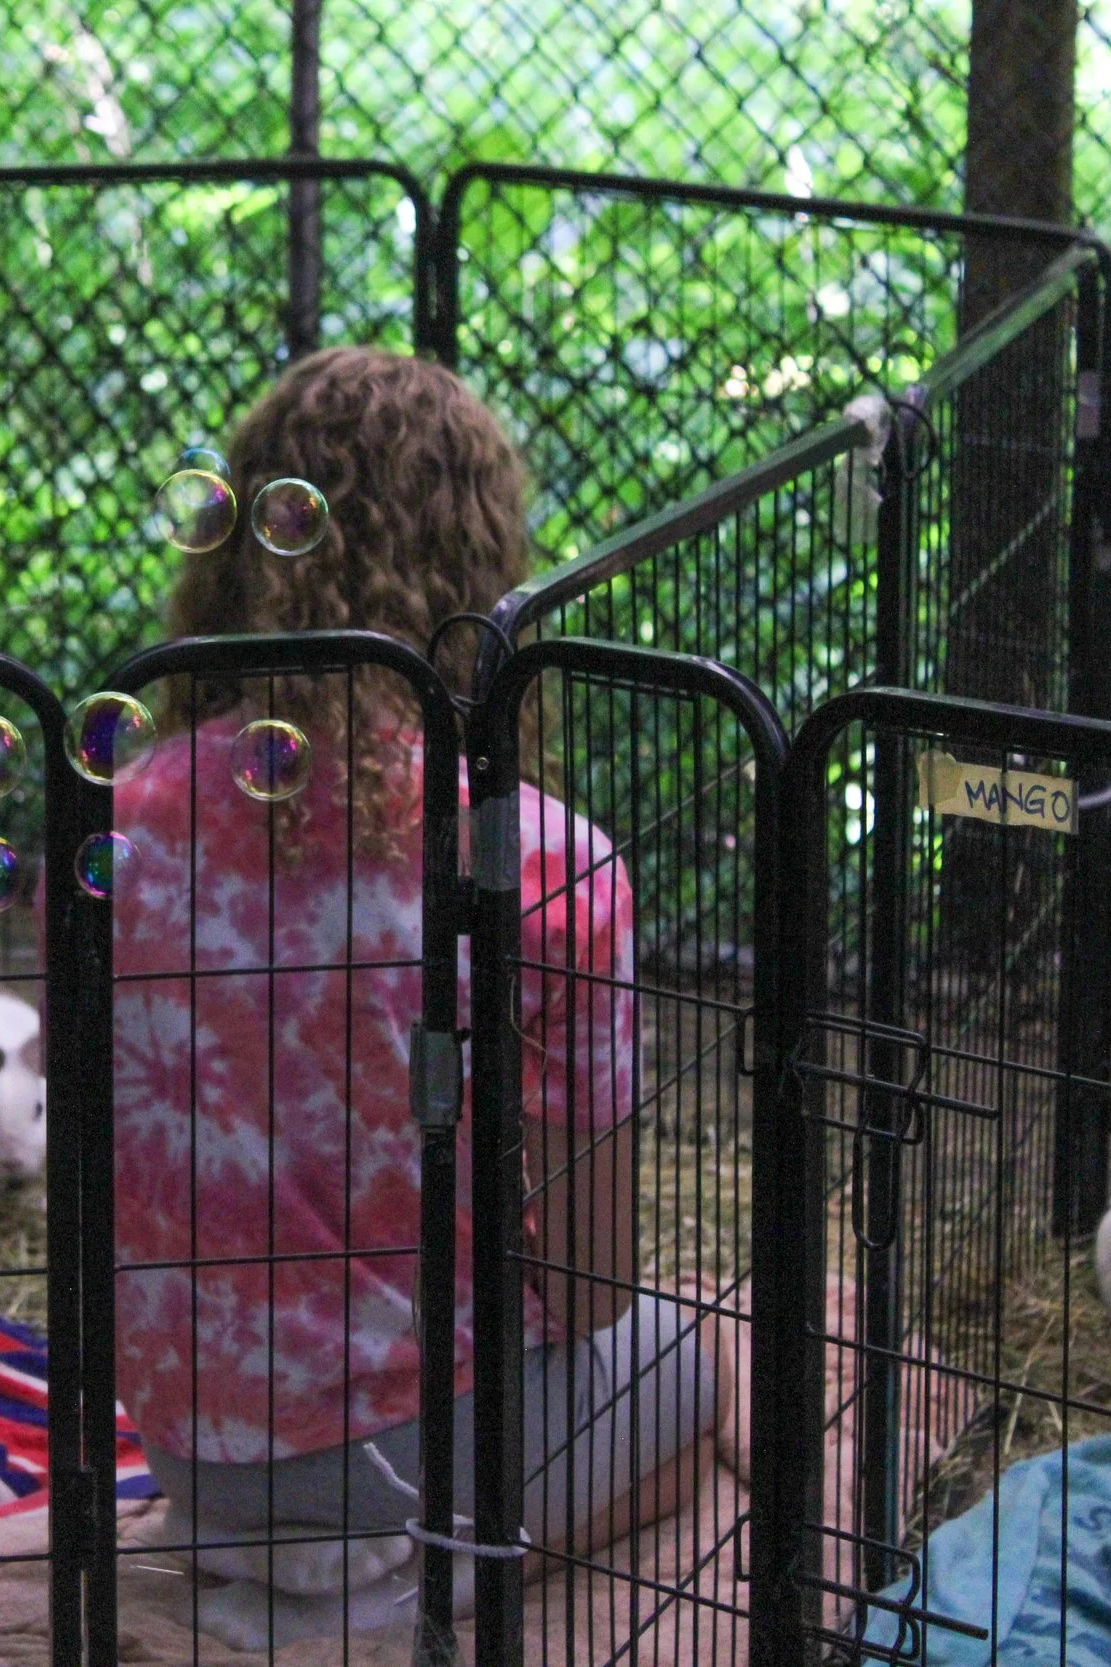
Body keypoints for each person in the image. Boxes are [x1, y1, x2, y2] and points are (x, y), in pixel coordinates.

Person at [109, 347, 746, 1647]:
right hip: (412, 1464)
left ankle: (294, 1571)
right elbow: (595, 1281)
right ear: (483, 559)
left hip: (187, 1453)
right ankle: (391, 1583)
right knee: (699, 1365)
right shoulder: (545, 856)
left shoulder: (118, 812)